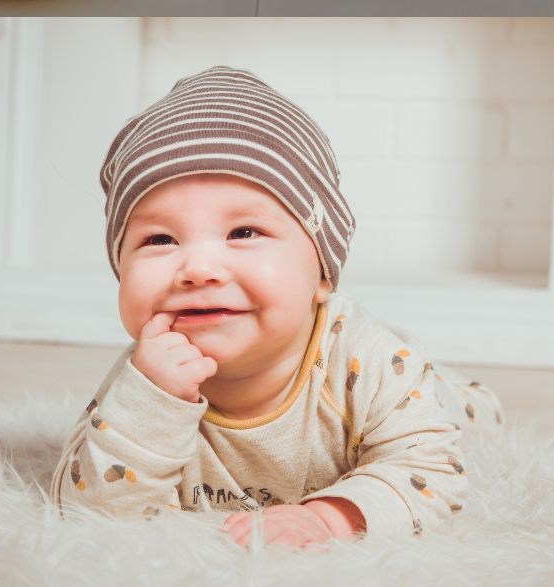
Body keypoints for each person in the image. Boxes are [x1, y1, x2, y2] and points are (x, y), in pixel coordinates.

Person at [46, 66, 502, 550]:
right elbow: (86, 508)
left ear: (322, 274)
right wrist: (152, 406)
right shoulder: (145, 380)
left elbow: (429, 472)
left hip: (406, 390)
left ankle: (463, 393)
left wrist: (328, 519)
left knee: (456, 414)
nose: (199, 269)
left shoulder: (370, 361)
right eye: (160, 238)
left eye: (244, 233)